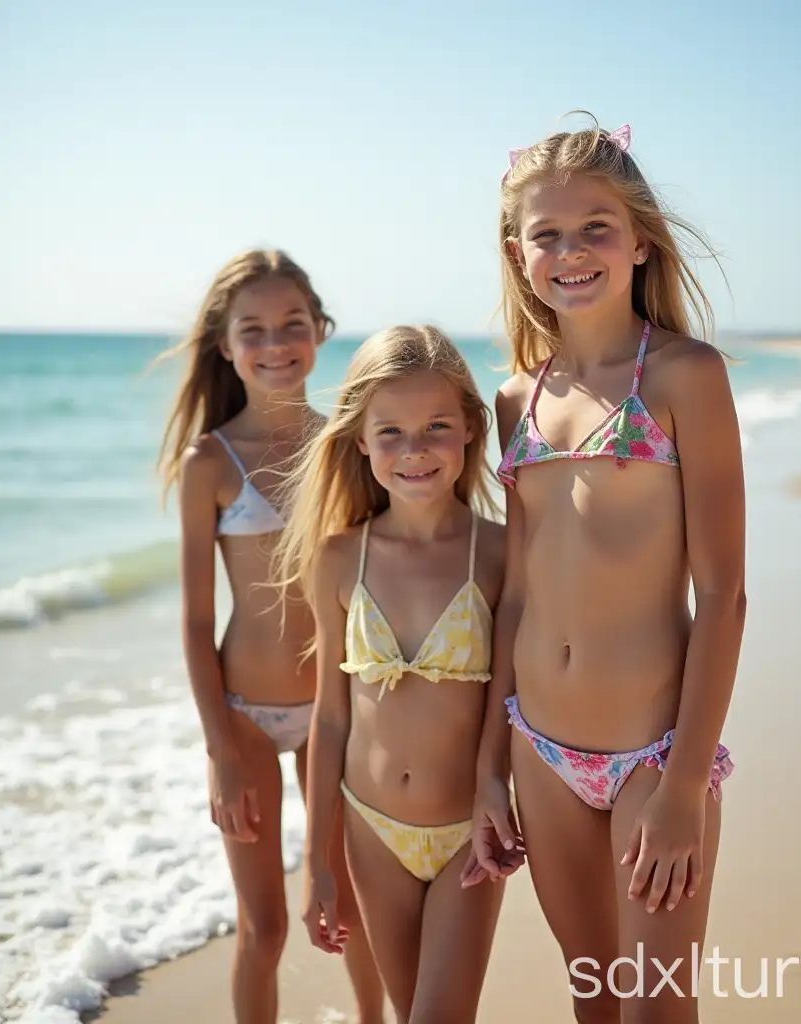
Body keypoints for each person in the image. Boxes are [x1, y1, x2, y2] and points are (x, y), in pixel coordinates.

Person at [465, 117, 744, 1023]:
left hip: (653, 760)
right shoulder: (516, 398)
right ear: (518, 253)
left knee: (656, 1010)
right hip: (538, 747)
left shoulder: (682, 377)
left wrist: (685, 785)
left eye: (595, 227)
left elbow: (726, 596)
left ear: (637, 240)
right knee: (595, 1004)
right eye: (547, 233)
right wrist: (487, 770)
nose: (570, 250)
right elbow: (514, 598)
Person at [157, 249, 385, 1024]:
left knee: (347, 903)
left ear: (320, 331)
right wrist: (220, 746)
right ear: (225, 345)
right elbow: (192, 619)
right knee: (267, 925)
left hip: (340, 709)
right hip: (245, 713)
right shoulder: (208, 464)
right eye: (253, 329)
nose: (276, 342)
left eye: (293, 323)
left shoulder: (351, 444)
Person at [273, 325, 521, 1023]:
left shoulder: (499, 553)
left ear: (472, 428)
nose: (414, 450)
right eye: (391, 433)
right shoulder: (337, 557)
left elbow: (508, 699)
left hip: (466, 834)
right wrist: (319, 864)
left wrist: (493, 789)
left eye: (437, 426)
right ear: (358, 439)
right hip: (369, 830)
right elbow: (330, 716)